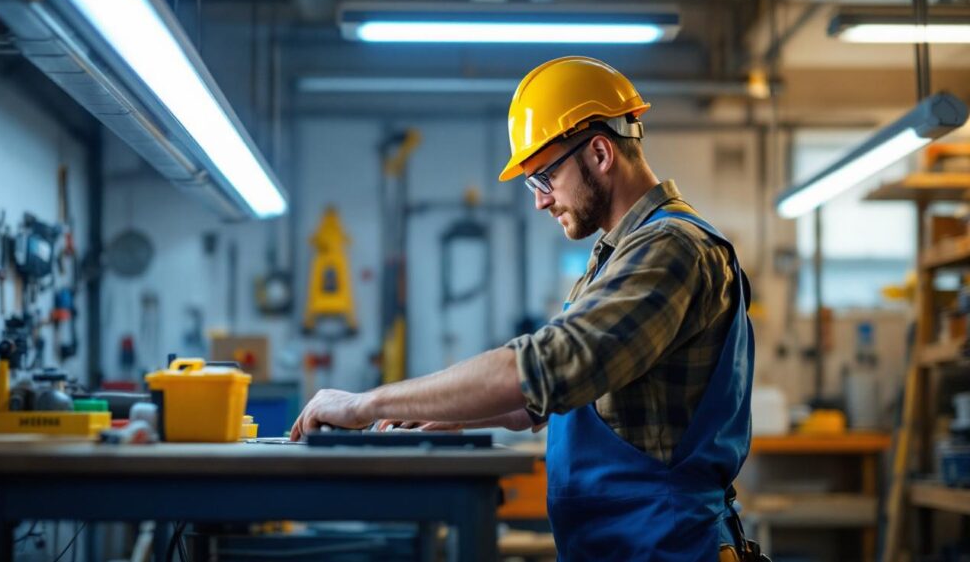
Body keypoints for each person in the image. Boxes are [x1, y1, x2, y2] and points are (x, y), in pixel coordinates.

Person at [290, 56, 759, 562]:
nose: (540, 201)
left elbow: (545, 367)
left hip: (668, 545)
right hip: (627, 544)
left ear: (600, 152)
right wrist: (456, 418)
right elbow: (550, 399)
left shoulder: (672, 248)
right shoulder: (616, 255)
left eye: (544, 177)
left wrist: (366, 404)